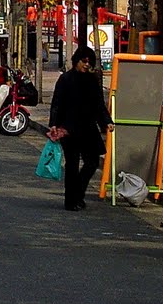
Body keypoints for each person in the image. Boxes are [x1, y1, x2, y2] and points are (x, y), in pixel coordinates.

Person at [47, 45, 114, 211]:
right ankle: (70, 201)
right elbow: (56, 103)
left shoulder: (92, 80)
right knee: (72, 164)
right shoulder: (65, 79)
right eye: (84, 61)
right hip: (68, 129)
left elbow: (99, 104)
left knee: (92, 162)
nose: (87, 65)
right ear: (76, 60)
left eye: (89, 62)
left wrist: (107, 121)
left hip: (88, 128)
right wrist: (54, 123)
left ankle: (79, 193)